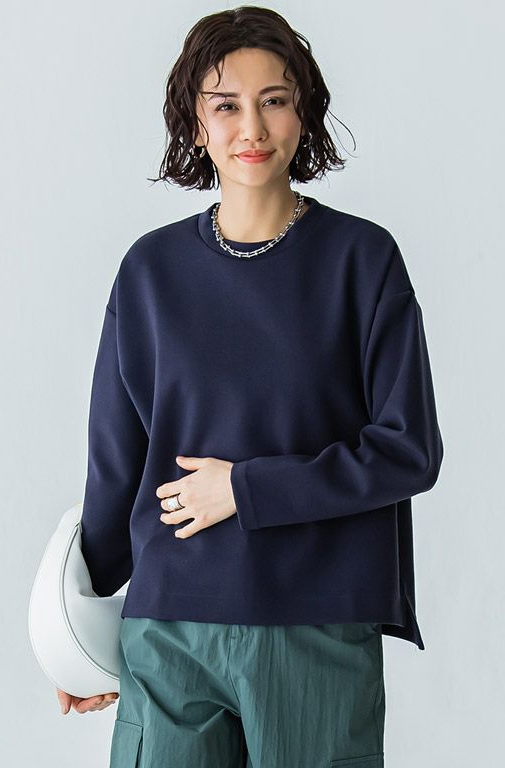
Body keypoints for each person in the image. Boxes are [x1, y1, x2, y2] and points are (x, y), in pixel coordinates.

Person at [66, 6, 445, 767]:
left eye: (274, 100)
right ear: (194, 122)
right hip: (169, 627)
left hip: (313, 622)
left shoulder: (361, 260)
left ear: (304, 112)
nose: (252, 128)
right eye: (226, 105)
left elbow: (409, 451)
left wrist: (246, 489)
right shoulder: (150, 271)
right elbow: (116, 464)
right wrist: (78, 634)